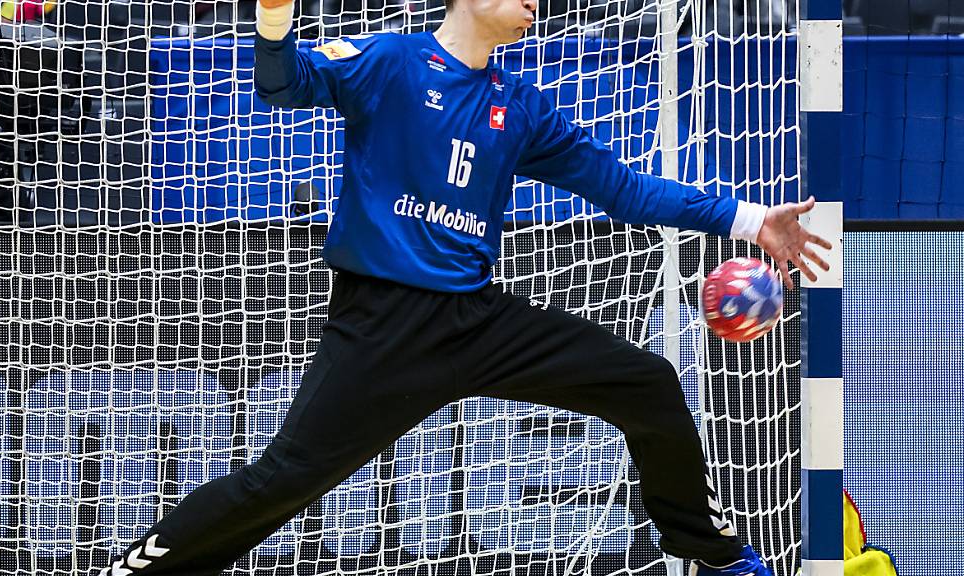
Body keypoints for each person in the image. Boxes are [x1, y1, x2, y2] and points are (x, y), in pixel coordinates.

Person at [98, 0, 831, 574]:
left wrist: (749, 220)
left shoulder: (523, 107)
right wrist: (274, 13)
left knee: (647, 382)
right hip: (382, 329)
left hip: (477, 321)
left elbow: (625, 191)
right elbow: (280, 81)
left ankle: (711, 554)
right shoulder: (389, 61)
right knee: (279, 484)